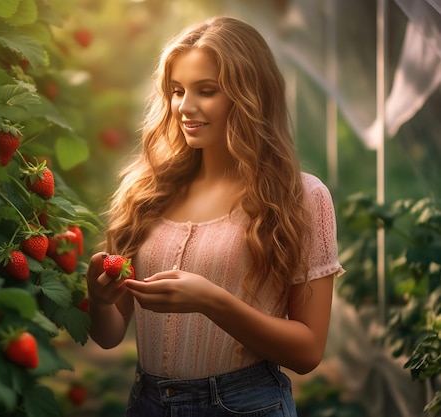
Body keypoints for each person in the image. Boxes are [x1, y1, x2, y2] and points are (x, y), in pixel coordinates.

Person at [85, 16, 345, 417]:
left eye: (206, 91)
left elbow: (308, 351)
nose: (184, 107)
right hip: (147, 404)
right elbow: (109, 335)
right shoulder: (145, 191)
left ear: (250, 96)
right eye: (176, 91)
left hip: (245, 405)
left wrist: (212, 302)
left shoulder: (301, 197)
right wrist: (100, 301)